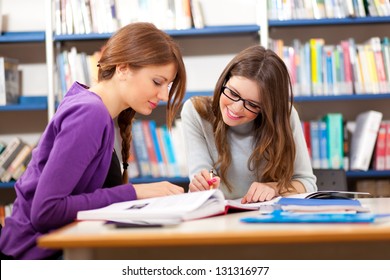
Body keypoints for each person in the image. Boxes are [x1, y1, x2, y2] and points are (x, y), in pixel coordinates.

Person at [0, 22, 186, 260]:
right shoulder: (90, 113)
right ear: (123, 69)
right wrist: (135, 192)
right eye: (157, 82)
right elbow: (45, 211)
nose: (163, 95)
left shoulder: (97, 110)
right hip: (32, 255)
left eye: (167, 86)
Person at [181, 45, 316, 203]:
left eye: (252, 104)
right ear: (224, 80)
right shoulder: (196, 112)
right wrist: (203, 185)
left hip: (269, 219)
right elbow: (201, 181)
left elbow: (307, 183)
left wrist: (275, 188)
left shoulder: (285, 114)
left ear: (267, 109)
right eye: (232, 93)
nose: (236, 108)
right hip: (222, 217)